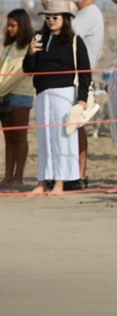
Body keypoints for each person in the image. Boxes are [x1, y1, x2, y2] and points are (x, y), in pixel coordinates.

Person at [23, 0, 89, 194]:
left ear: (65, 18)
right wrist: (30, 53)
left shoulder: (74, 41)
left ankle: (60, 181)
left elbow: (85, 72)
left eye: (55, 17)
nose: (51, 20)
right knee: (44, 138)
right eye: (48, 17)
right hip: (42, 94)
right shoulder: (38, 38)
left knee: (63, 137)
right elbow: (28, 70)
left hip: (65, 92)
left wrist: (82, 99)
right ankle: (43, 180)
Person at [0, 8, 34, 188]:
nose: (9, 29)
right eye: (8, 25)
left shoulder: (30, 48)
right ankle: (8, 177)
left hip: (21, 95)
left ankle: (18, 177)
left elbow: (23, 73)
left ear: (22, 26)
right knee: (8, 139)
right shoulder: (8, 48)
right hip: (3, 97)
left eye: (13, 25)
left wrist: (1, 91)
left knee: (19, 136)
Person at [71, 0, 103, 186]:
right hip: (76, 79)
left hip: (79, 80)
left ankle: (80, 175)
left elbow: (65, 35)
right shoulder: (85, 14)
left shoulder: (89, 13)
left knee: (76, 125)